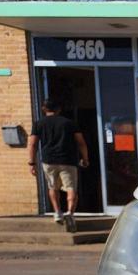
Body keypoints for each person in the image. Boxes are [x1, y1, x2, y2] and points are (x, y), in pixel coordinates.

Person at [28, 99, 90, 232]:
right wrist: (85, 158)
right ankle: (69, 213)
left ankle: (57, 212)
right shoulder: (69, 123)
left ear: (44, 109)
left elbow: (32, 144)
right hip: (68, 161)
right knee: (71, 188)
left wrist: (31, 163)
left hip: (48, 161)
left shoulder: (39, 124)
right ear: (59, 109)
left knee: (53, 187)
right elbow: (81, 142)